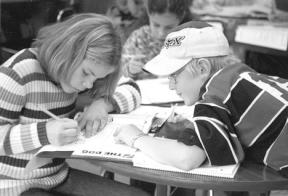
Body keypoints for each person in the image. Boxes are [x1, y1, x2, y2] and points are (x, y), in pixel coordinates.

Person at [0, 13, 150, 196]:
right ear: (69, 51)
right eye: (87, 73)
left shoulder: (76, 78)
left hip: (57, 178)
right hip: (12, 187)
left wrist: (101, 105)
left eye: (97, 78)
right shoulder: (19, 72)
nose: (88, 84)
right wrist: (44, 132)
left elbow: (132, 88)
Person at [114, 21, 288, 178]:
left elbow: (187, 158)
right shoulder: (240, 74)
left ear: (203, 68)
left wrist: (136, 137)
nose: (171, 86)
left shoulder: (214, 97)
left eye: (174, 75)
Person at [122, 0, 193, 80]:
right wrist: (130, 71)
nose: (161, 33)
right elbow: (119, 75)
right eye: (156, 25)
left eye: (168, 27)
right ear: (149, 14)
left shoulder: (187, 41)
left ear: (181, 18)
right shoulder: (138, 38)